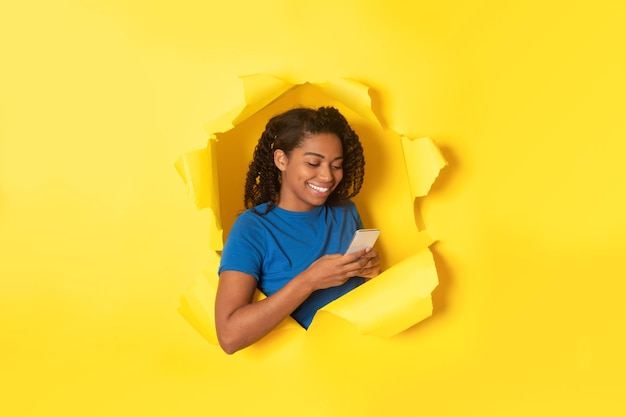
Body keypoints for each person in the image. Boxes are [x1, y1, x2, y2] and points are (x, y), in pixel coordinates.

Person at [215, 106, 380, 354]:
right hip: (300, 376)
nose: (327, 176)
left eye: (336, 165)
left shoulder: (346, 212)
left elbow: (363, 303)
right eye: (313, 163)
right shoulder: (252, 229)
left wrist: (371, 275)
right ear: (281, 160)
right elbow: (229, 336)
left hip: (364, 358)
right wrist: (310, 280)